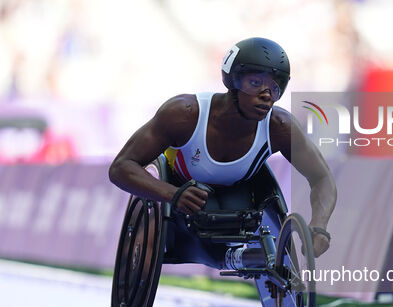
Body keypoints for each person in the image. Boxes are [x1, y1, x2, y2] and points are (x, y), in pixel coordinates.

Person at [109, 37, 337, 265]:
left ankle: (245, 257)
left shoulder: (280, 127)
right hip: (181, 194)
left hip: (237, 197)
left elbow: (322, 178)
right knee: (203, 210)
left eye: (274, 87)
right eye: (256, 83)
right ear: (233, 81)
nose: (267, 94)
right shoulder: (184, 115)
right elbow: (121, 167)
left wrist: (319, 226)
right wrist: (172, 194)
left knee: (236, 209)